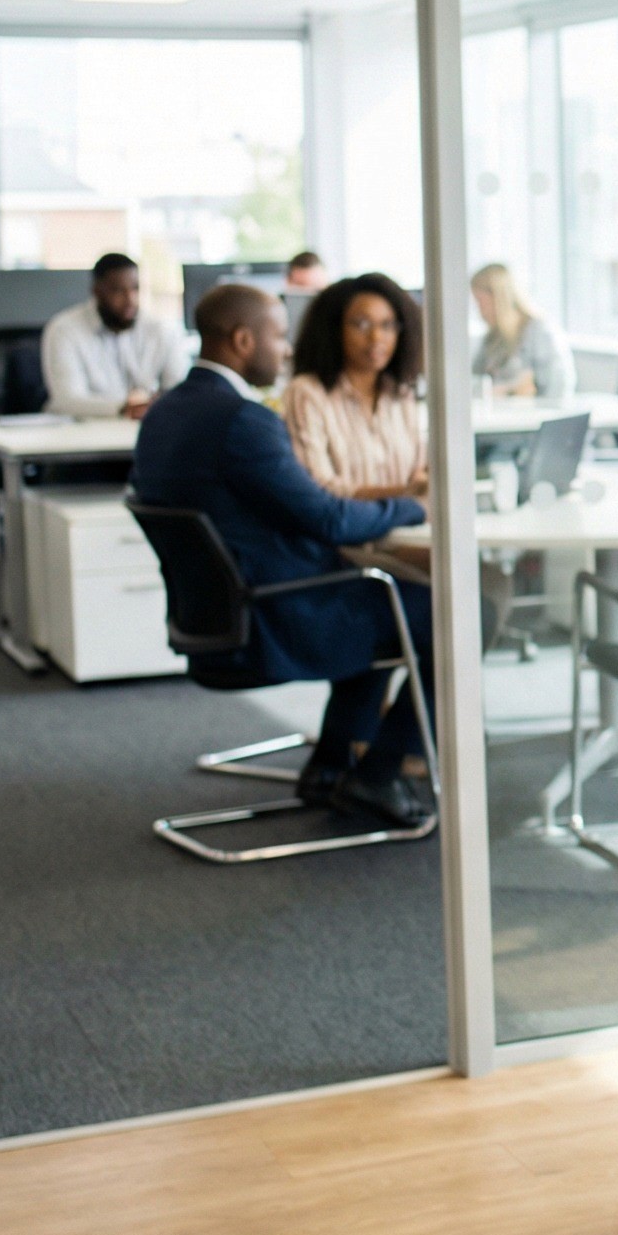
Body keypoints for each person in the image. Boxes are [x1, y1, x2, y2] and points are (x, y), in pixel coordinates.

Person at [133, 284, 434, 825]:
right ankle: (377, 774)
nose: (287, 350)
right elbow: (330, 518)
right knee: (454, 613)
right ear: (243, 341)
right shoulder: (243, 421)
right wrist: (414, 506)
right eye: (277, 335)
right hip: (274, 614)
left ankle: (329, 767)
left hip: (225, 611)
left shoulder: (165, 412)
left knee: (374, 596)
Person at [282, 274, 428, 504]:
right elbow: (320, 489)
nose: (376, 337)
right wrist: (407, 492)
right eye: (361, 324)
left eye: (388, 325)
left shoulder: (400, 394)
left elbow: (417, 470)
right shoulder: (306, 393)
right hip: (349, 536)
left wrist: (423, 483)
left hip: (408, 535)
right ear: (333, 329)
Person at [40, 252, 190, 420]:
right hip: (85, 435)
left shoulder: (160, 330)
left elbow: (180, 389)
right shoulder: (65, 330)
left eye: (135, 288)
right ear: (97, 291)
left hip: (145, 431)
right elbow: (67, 400)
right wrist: (124, 407)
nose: (130, 299)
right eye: (119, 291)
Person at [470, 262, 574, 400]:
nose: (479, 311)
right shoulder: (492, 338)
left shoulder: (539, 331)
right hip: (500, 416)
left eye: (480, 302)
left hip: (533, 417)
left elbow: (557, 387)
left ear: (498, 298)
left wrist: (509, 391)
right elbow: (476, 382)